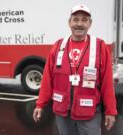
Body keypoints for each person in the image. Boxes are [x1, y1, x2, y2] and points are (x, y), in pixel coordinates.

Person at [33, 4, 117, 135]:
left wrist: (110, 111)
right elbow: (47, 78)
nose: (79, 24)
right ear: (69, 22)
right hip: (62, 114)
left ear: (90, 23)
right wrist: (40, 104)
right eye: (76, 19)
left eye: (84, 20)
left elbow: (107, 83)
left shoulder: (100, 46)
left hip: (89, 114)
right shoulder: (58, 46)